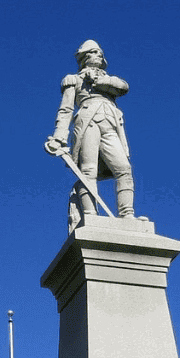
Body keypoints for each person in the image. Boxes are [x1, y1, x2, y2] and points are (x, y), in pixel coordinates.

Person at [46, 40, 135, 229]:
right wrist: (58, 137)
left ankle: (127, 214)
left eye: (100, 52)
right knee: (88, 171)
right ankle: (90, 214)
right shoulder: (74, 79)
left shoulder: (109, 80)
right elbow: (66, 110)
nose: (99, 55)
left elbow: (123, 87)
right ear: (85, 56)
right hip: (87, 122)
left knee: (124, 169)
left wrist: (99, 80)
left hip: (111, 123)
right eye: (94, 52)